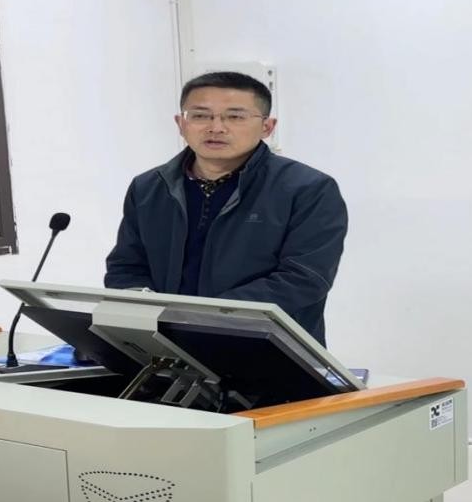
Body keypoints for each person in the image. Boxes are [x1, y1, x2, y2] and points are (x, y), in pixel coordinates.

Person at [104, 71, 347, 346]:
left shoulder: (308, 189)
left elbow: (304, 279)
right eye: (200, 115)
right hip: (166, 347)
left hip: (267, 349)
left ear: (267, 127)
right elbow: (126, 266)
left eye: (235, 117)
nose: (216, 127)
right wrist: (144, 310)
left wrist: (203, 318)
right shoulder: (149, 187)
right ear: (181, 123)